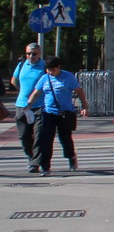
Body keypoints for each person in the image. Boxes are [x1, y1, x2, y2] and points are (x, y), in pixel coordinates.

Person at [27, 56, 88, 176]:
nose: (50, 72)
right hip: (49, 113)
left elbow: (79, 91)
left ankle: (71, 156)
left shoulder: (68, 77)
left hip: (65, 113)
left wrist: (85, 107)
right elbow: (36, 92)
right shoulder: (45, 78)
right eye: (48, 70)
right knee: (46, 140)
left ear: (58, 67)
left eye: (53, 70)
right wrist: (29, 104)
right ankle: (46, 167)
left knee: (65, 139)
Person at [10, 43, 46, 173]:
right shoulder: (21, 65)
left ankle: (35, 163)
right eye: (28, 53)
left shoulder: (44, 66)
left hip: (39, 105)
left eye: (34, 54)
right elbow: (14, 80)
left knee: (39, 135)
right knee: (24, 135)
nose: (31, 56)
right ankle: (30, 157)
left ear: (39, 54)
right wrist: (23, 93)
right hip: (22, 105)